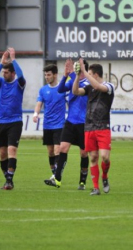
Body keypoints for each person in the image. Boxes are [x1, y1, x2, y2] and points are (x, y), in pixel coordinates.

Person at [44, 58, 90, 190]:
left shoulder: (88, 83)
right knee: (63, 148)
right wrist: (65, 75)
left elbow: (79, 89)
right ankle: (57, 180)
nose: (75, 69)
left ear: (83, 68)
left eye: (77, 67)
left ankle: (82, 181)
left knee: (83, 153)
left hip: (83, 123)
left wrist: (72, 74)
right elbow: (60, 89)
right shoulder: (72, 81)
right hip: (70, 122)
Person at [71, 58, 115, 196]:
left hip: (103, 126)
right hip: (89, 126)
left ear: (95, 75)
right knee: (93, 157)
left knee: (105, 157)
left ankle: (105, 177)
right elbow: (75, 92)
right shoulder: (88, 87)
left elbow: (98, 87)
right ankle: (96, 188)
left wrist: (84, 71)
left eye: (89, 74)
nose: (87, 76)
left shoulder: (109, 86)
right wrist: (78, 76)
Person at [0, 47, 26, 190]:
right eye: (3, 72)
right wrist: (1, 63)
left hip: (15, 121)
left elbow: (21, 75)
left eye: (6, 72)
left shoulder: (19, 84)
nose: (3, 74)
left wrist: (14, 59)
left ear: (13, 73)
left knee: (12, 150)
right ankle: (7, 179)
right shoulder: (0, 82)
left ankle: (9, 180)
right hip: (1, 122)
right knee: (2, 153)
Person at [33, 64, 66, 184]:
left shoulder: (62, 89)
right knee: (50, 152)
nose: (46, 77)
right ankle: (54, 174)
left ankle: (56, 176)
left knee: (58, 150)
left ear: (55, 75)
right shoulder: (43, 90)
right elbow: (39, 103)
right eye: (45, 75)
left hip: (59, 125)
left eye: (49, 74)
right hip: (47, 125)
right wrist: (35, 114)